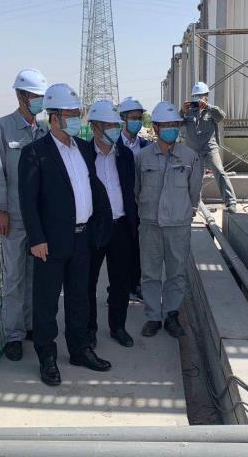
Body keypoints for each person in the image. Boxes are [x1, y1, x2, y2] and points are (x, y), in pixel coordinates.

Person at [18, 83, 113, 387]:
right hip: (50, 242)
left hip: (82, 238)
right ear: (54, 117)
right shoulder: (35, 153)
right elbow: (28, 201)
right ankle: (47, 356)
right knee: (46, 302)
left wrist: (99, 226)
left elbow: (92, 188)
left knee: (79, 297)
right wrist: (36, 238)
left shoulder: (83, 148)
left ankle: (79, 350)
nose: (76, 119)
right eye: (71, 115)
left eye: (77, 113)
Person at [0, 68, 48, 362]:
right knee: (13, 278)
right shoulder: (2, 128)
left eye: (41, 97)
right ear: (20, 96)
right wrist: (0, 209)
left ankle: (30, 325)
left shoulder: (43, 130)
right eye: (35, 96)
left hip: (39, 218)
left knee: (35, 275)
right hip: (13, 216)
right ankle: (13, 335)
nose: (39, 102)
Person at [134, 101, 201, 339]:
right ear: (156, 127)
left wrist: (184, 212)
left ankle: (171, 314)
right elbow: (137, 190)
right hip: (150, 225)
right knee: (150, 273)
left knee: (176, 273)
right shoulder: (142, 157)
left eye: (175, 124)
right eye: (166, 125)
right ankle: (153, 316)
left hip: (178, 225)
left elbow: (194, 191)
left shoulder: (189, 157)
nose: (171, 129)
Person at [85, 100, 138, 349]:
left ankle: (118, 326)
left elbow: (130, 190)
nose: (114, 129)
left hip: (121, 226)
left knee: (121, 281)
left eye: (116, 125)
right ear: (94, 127)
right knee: (88, 281)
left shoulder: (125, 155)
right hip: (94, 228)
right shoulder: (83, 155)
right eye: (108, 125)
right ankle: (90, 329)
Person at [180, 81, 238, 213]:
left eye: (201, 96)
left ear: (206, 96)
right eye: (195, 96)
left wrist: (208, 107)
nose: (198, 99)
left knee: (219, 171)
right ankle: (193, 206)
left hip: (210, 148)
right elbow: (177, 123)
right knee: (195, 179)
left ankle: (231, 202)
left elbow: (221, 117)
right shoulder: (188, 112)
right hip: (193, 151)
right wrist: (182, 111)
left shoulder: (211, 110)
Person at [116, 96, 149, 302]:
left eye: (139, 118)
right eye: (133, 118)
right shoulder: (114, 145)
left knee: (137, 248)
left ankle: (135, 284)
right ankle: (119, 287)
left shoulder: (145, 146)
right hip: (119, 207)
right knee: (120, 251)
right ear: (123, 119)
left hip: (139, 205)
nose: (137, 121)